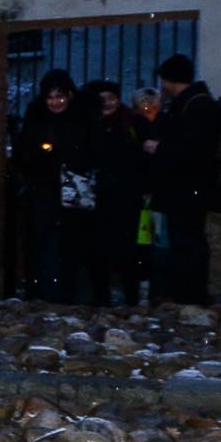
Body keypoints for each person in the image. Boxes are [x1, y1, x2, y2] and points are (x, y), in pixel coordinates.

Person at [11, 69, 104, 302]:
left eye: (60, 97)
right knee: (40, 243)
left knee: (72, 243)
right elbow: (24, 153)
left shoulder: (83, 118)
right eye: (51, 97)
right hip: (43, 190)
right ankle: (40, 292)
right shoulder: (37, 117)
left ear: (70, 96)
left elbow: (94, 152)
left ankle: (69, 293)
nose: (55, 102)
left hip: (74, 190)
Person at [146, 54, 221, 302]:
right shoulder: (193, 103)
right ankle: (186, 292)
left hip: (185, 187)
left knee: (187, 241)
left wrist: (160, 148)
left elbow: (192, 149)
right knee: (185, 240)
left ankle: (189, 294)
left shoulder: (195, 106)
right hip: (187, 186)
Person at [86, 80, 146, 304]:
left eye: (112, 98)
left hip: (125, 194)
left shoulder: (131, 122)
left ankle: (130, 296)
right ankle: (101, 296)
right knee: (98, 249)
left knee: (127, 250)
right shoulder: (90, 123)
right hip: (98, 194)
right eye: (103, 99)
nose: (108, 103)